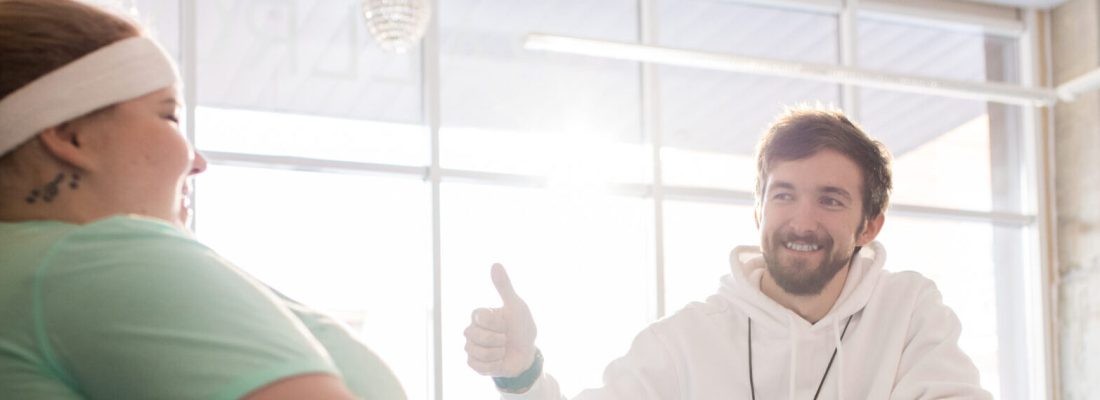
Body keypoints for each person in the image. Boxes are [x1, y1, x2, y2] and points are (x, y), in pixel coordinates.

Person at [0, 0, 404, 398]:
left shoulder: (29, 265)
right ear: (72, 135)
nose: (197, 161)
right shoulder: (98, 260)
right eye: (168, 116)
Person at [463, 107, 992, 399]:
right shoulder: (686, 341)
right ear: (759, 210)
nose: (801, 221)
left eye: (830, 200)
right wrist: (520, 374)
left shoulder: (909, 313)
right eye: (784, 195)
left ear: (869, 225)